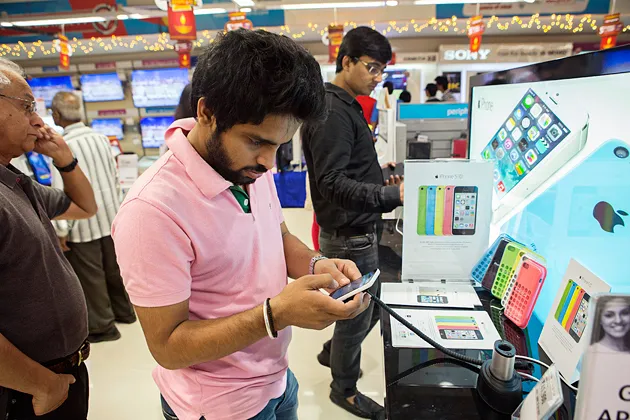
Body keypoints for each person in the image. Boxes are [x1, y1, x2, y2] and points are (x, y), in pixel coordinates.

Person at [111, 29, 371, 420]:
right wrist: (276, 314)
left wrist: (319, 266)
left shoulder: (248, 167)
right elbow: (167, 345)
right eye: (256, 141)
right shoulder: (151, 211)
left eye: (279, 145)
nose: (269, 162)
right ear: (207, 113)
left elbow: (276, 235)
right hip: (218, 407)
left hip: (276, 381)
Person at [301, 26, 404, 419]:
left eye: (382, 70)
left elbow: (347, 168)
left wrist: (379, 174)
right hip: (349, 240)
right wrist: (389, 195)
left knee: (366, 306)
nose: (378, 78)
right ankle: (343, 389)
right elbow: (330, 182)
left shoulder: (345, 105)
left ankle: (332, 354)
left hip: (358, 232)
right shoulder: (332, 111)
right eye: (372, 67)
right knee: (357, 315)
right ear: (346, 61)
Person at [0, 58, 97, 419]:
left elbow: (83, 206)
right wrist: (41, 384)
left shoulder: (15, 182)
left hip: (60, 375)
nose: (38, 121)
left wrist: (65, 160)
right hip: (26, 389)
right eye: (26, 106)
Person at [50, 92, 136, 343]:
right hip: (110, 218)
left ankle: (102, 326)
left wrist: (62, 231)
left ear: (56, 115)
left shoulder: (62, 145)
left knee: (91, 278)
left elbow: (61, 190)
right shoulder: (101, 138)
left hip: (83, 224)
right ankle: (125, 313)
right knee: (114, 270)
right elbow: (113, 177)